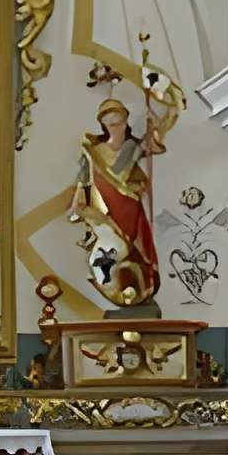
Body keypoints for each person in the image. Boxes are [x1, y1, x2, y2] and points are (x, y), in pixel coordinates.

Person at [68, 94, 170, 310]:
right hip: (108, 212)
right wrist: (78, 204)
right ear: (104, 125)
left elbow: (156, 145)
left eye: (120, 122)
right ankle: (116, 284)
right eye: (111, 123)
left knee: (138, 249)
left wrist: (162, 118)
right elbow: (84, 181)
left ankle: (141, 283)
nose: (116, 127)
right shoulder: (94, 152)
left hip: (131, 209)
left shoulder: (132, 147)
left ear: (125, 122)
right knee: (114, 250)